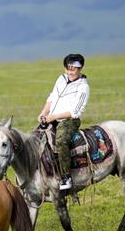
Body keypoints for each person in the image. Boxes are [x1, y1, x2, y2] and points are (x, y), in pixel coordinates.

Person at [38, 53, 90, 190]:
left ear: (80, 69)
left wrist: (54, 117)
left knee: (61, 141)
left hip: (68, 121)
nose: (70, 71)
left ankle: (66, 177)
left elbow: (75, 112)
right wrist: (44, 112)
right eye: (68, 68)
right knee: (36, 137)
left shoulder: (83, 87)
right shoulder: (61, 78)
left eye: (74, 68)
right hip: (52, 116)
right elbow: (52, 97)